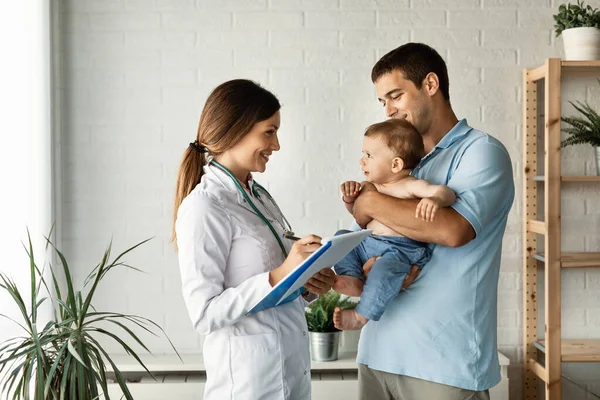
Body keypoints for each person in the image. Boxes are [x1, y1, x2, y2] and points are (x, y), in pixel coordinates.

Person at [350, 43, 514, 400]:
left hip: (443, 366)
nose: (389, 110)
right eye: (382, 102)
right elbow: (362, 224)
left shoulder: (481, 152)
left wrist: (372, 198)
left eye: (395, 95)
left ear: (430, 84)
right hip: (378, 354)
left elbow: (451, 229)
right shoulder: (396, 158)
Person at [172, 79, 335, 400]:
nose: (276, 145)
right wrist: (280, 274)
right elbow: (204, 314)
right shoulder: (204, 205)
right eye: (269, 132)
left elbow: (273, 286)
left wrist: (306, 283)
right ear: (236, 129)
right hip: (247, 386)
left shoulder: (259, 195)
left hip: (290, 375)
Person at [332, 119, 456, 331]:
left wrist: (435, 200)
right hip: (368, 242)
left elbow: (445, 192)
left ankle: (360, 316)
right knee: (341, 238)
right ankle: (352, 277)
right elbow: (359, 217)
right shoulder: (369, 187)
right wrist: (349, 199)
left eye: (369, 155)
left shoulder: (409, 186)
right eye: (363, 154)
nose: (362, 161)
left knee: (383, 270)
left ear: (396, 164)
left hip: (399, 250)